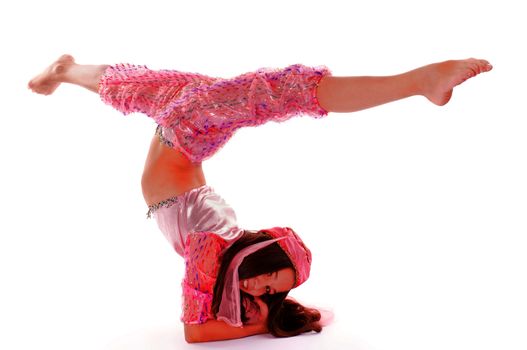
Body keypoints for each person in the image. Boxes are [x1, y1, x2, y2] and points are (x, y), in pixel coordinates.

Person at [28, 55, 492, 343]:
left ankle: (65, 70)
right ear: (258, 252)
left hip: (184, 133)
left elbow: (195, 332)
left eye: (270, 291)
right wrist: (268, 322)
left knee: (138, 88)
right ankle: (417, 80)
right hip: (189, 134)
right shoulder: (216, 245)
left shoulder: (209, 260)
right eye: (272, 279)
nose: (262, 288)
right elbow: (200, 332)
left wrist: (270, 320)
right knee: (274, 93)